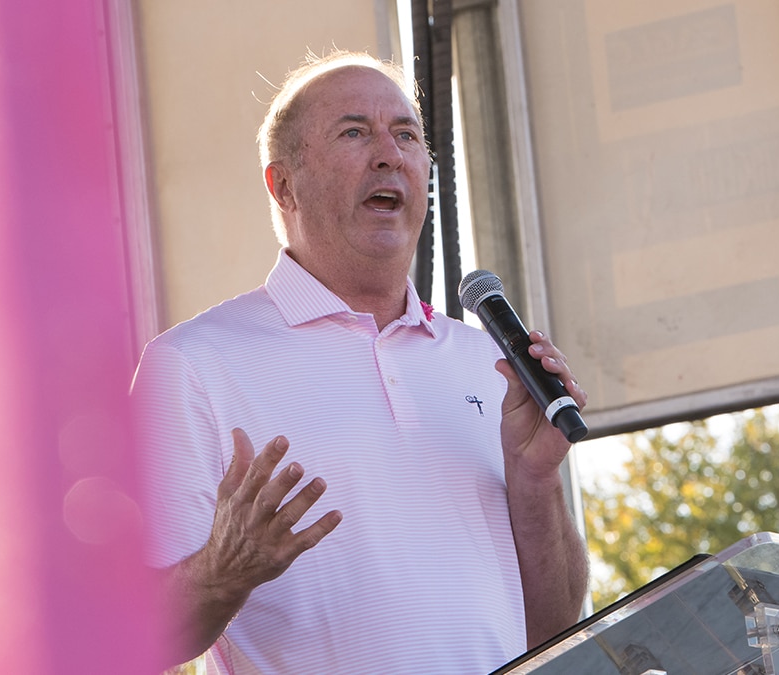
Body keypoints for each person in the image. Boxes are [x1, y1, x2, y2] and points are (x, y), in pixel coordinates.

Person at [131, 50, 589, 674]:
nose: (389, 154)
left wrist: (535, 483)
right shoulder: (192, 365)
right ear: (283, 184)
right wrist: (222, 571)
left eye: (406, 135)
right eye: (354, 132)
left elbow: (558, 631)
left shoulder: (490, 362)